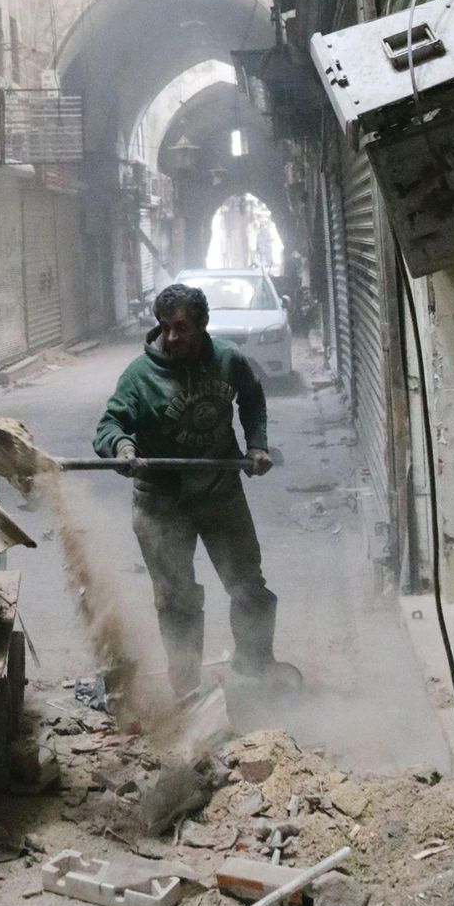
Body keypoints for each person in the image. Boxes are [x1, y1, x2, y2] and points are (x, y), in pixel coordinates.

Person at [93, 281, 279, 697]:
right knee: (177, 600)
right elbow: (110, 425)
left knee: (248, 586)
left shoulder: (228, 360)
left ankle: (256, 671)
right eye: (164, 327)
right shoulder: (140, 376)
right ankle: (187, 689)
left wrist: (257, 444)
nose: (171, 337)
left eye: (181, 328)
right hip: (161, 502)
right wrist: (122, 447)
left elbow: (252, 399)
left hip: (219, 491)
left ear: (202, 325)